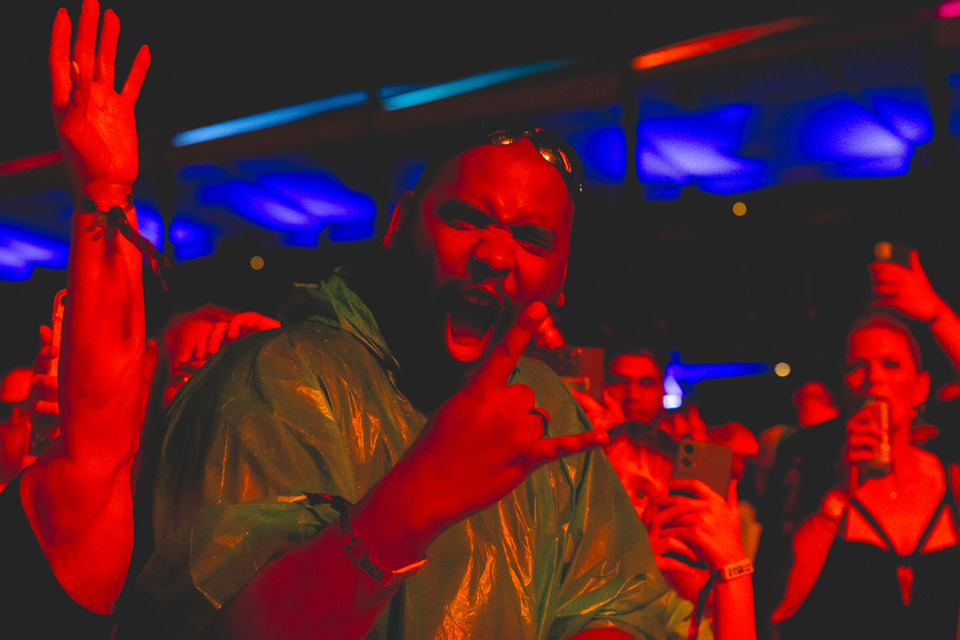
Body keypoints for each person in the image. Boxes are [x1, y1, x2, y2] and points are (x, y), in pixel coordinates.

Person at [124, 109, 695, 638]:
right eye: (467, 217)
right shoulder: (274, 380)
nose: (495, 255)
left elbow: (620, 602)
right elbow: (209, 618)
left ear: (561, 276)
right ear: (398, 224)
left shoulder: (549, 406)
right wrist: (416, 498)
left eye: (530, 238)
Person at [0, 1, 150, 636]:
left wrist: (105, 194)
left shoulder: (58, 519)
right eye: (9, 413)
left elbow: (99, 428)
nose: (39, 396)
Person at [760, 249, 960, 638]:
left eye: (891, 364)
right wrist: (838, 492)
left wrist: (938, 314)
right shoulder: (809, 465)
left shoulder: (949, 478)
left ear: (920, 388)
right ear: (842, 388)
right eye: (857, 367)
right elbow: (777, 607)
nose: (873, 378)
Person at [566, 347, 758, 640]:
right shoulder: (578, 457)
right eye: (619, 381)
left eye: (645, 382)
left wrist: (732, 568)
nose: (632, 394)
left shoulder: (683, 458)